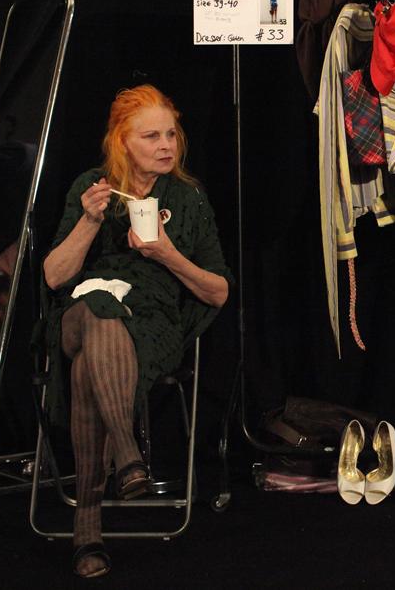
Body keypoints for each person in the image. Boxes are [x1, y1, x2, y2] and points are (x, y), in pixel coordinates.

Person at [43, 85, 232, 578]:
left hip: (152, 322)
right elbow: (54, 275)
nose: (167, 144)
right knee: (97, 303)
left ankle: (88, 524)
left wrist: (166, 254)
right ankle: (128, 454)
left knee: (91, 361)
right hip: (80, 310)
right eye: (152, 136)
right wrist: (88, 221)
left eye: (171, 133)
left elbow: (218, 292)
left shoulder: (187, 198)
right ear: (122, 141)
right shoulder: (92, 186)